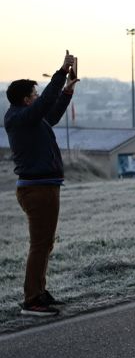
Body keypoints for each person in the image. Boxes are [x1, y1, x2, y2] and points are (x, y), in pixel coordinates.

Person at [5, 51, 79, 316]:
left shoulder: (31, 120)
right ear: (26, 100)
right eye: (34, 95)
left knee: (45, 243)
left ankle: (39, 292)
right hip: (37, 190)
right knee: (39, 245)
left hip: (44, 187)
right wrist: (61, 73)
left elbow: (52, 114)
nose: (37, 98)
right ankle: (31, 301)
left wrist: (67, 92)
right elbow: (44, 103)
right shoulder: (18, 118)